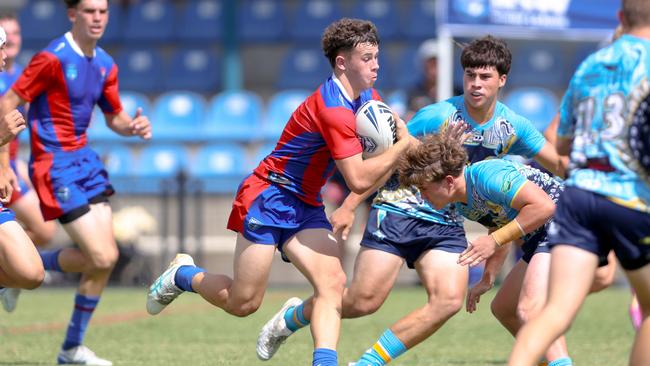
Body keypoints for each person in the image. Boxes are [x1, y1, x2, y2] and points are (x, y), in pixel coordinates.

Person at [257, 35, 569, 366]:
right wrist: (350, 205)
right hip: (400, 207)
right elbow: (391, 156)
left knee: (449, 300)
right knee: (364, 301)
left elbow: (558, 165)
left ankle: (368, 363)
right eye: (470, 76)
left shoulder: (513, 127)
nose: (476, 84)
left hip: (448, 215)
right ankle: (292, 318)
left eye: (485, 77)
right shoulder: (437, 115)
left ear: (502, 80)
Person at [145, 18, 413, 366]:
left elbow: (381, 158)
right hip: (268, 196)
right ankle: (182, 275)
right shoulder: (333, 108)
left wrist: (351, 202)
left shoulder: (368, 98)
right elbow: (361, 178)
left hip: (305, 204)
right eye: (367, 57)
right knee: (243, 303)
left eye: (377, 56)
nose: (376, 64)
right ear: (342, 62)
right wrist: (405, 143)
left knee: (332, 284)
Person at [0, 0, 152, 364]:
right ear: (72, 14)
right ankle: (16, 273)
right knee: (99, 255)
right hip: (54, 165)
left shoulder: (105, 64)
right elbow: (9, 101)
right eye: (89, 11)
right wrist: (6, 161)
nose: (97, 18)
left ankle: (70, 347)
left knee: (105, 258)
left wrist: (131, 126)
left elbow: (113, 116)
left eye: (103, 11)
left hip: (86, 162)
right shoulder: (51, 58)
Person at [509, 0, 650, 364]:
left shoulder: (589, 66)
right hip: (629, 197)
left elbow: (564, 141)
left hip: (578, 197)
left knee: (554, 311)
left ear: (620, 19)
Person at [0, 13, 58, 313]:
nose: (5, 50)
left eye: (9, 40)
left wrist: (9, 165)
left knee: (32, 270)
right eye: (0, 43)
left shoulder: (19, 76)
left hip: (7, 170)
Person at [404, 38, 439, 121]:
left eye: (436, 63)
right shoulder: (414, 93)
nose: (433, 69)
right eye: (430, 63)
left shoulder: (455, 92)